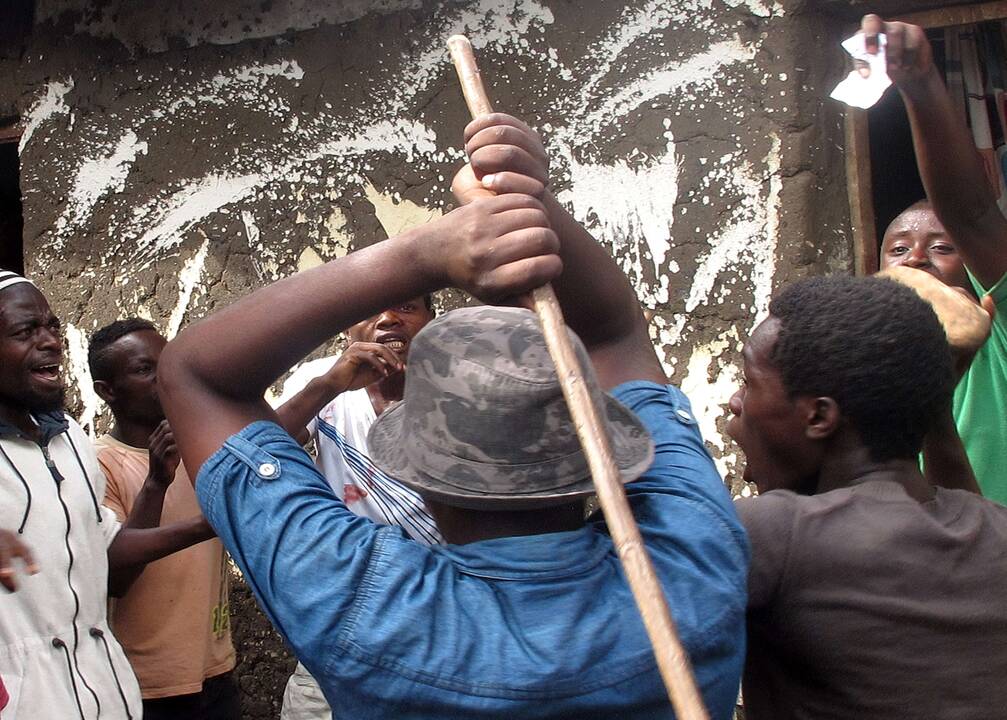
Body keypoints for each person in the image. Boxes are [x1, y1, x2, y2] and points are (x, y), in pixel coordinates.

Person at [157, 115, 749, 719]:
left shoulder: (369, 606)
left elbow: (197, 376)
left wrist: (428, 250)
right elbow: (617, 334)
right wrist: (530, 205)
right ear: (600, 446)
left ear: (420, 476)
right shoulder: (692, 561)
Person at [728, 274, 1007, 719]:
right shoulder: (993, 530)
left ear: (819, 415)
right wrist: (930, 401)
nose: (734, 403)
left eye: (748, 382)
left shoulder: (777, 533)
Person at [0, 271, 213, 719]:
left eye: (52, 327)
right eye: (24, 332)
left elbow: (108, 550)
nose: (50, 342)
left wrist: (209, 523)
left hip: (107, 692)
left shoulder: (69, 441)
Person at [275, 296, 439, 719]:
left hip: (438, 612)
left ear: (430, 319)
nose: (387, 319)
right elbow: (262, 445)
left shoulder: (455, 381)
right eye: (371, 311)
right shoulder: (322, 379)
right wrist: (329, 385)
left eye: (406, 307)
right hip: (343, 613)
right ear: (349, 328)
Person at [868, 15, 1007, 504]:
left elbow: (970, 213)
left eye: (943, 247)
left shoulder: (999, 342)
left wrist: (921, 83)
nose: (916, 260)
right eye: (899, 249)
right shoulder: (864, 371)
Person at [88, 318, 238, 720]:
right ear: (107, 391)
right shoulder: (97, 464)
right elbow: (116, 576)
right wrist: (155, 481)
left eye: (167, 362)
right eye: (143, 369)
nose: (163, 377)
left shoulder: (202, 446)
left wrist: (323, 387)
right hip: (144, 687)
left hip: (216, 672)